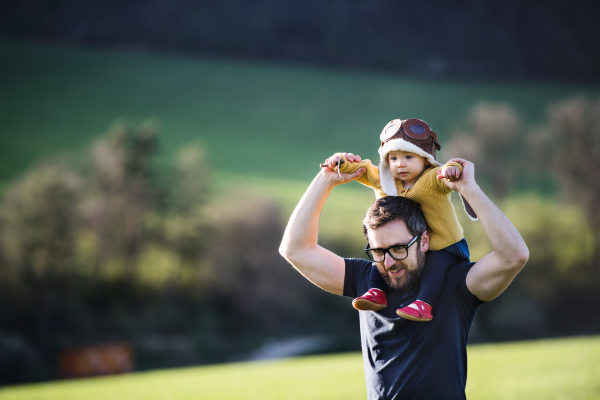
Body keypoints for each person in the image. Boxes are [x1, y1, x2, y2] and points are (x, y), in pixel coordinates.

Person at [279, 156, 528, 399]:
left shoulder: (455, 284)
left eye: (399, 248)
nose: (388, 262)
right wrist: (326, 179)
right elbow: (296, 249)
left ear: (424, 240)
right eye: (378, 251)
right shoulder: (365, 280)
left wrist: (467, 187)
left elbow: (513, 256)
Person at [323, 119, 477, 322]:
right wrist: (340, 160)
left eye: (408, 156)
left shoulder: (432, 179)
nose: (400, 164)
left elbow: (449, 170)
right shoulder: (385, 180)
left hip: (444, 244)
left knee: (435, 266)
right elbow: (360, 168)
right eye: (393, 158)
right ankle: (376, 292)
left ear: (425, 158)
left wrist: (454, 168)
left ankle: (424, 303)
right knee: (380, 253)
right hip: (406, 244)